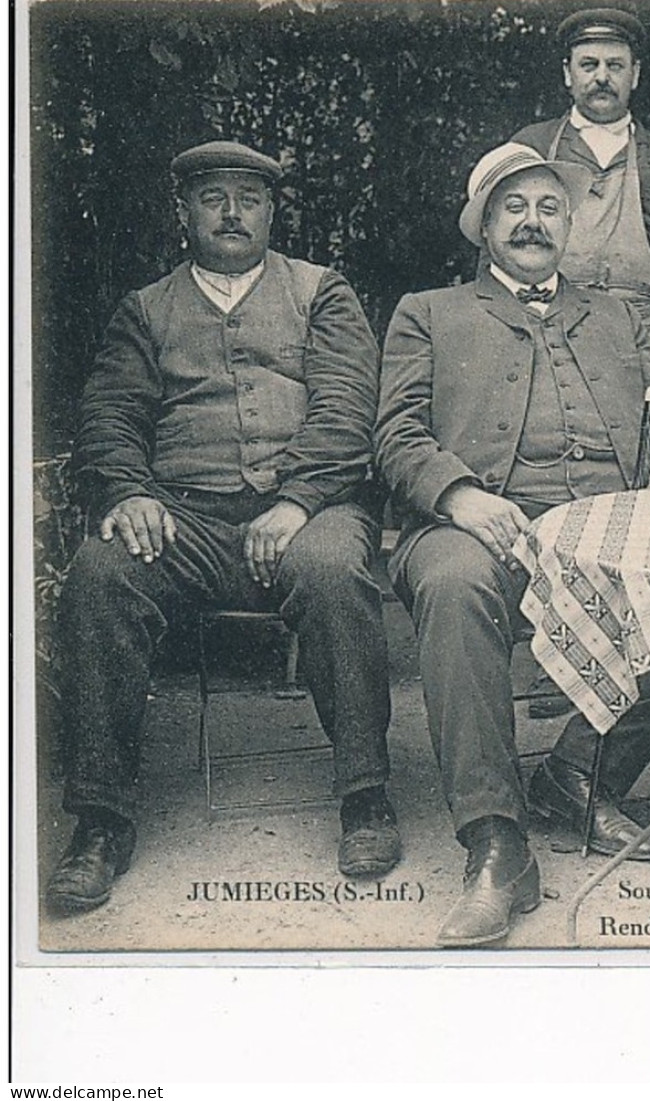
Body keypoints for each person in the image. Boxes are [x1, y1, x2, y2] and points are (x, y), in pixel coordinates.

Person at [375, 142, 650, 947]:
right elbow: (393, 432)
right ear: (482, 227)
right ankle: (497, 844)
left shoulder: (615, 314)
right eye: (513, 207)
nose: (532, 222)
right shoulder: (428, 312)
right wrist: (460, 494)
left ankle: (579, 771)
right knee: (454, 587)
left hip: (613, 530)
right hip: (485, 530)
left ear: (569, 224)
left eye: (547, 208)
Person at [47, 140, 396, 914]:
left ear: (273, 210)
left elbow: (347, 409)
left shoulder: (321, 292)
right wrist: (129, 492)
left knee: (338, 570)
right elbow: (109, 415)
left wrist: (299, 497)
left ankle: (365, 795)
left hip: (310, 511)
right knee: (101, 573)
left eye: (249, 197)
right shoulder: (146, 307)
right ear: (184, 212)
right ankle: (100, 819)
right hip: (183, 519)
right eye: (213, 197)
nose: (233, 212)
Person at [511, 7, 650, 404]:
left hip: (645, 352)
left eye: (615, 65)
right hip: (549, 342)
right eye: (588, 65)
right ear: (567, 74)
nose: (602, 77)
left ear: (635, 75)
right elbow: (497, 257)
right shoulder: (533, 148)